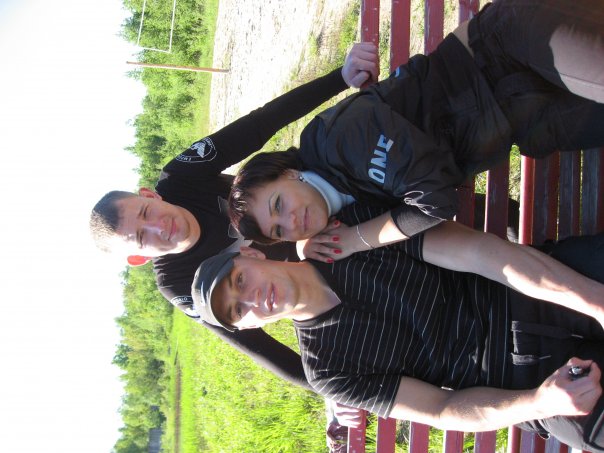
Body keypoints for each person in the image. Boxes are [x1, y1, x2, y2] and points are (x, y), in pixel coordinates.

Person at [192, 202, 604, 451]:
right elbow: (441, 409)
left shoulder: (346, 234)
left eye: (239, 281)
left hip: (524, 289)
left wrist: (591, 299)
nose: (253, 299)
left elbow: (479, 253)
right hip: (521, 382)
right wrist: (540, 403)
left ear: (252, 255)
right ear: (247, 327)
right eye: (238, 310)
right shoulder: (328, 370)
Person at [89, 43, 378, 391]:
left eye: (146, 212)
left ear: (150, 195)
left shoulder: (180, 178)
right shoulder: (177, 283)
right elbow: (255, 345)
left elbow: (259, 124)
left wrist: (340, 78)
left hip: (309, 199)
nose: (159, 227)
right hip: (323, 265)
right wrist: (332, 389)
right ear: (139, 258)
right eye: (141, 237)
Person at [228, 0, 604, 261]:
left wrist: (357, 240)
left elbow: (436, 200)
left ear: (288, 174)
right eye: (279, 231)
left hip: (505, 51)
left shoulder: (339, 142)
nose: (291, 222)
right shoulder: (346, 201)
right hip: (528, 120)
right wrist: (305, 247)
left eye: (279, 204)